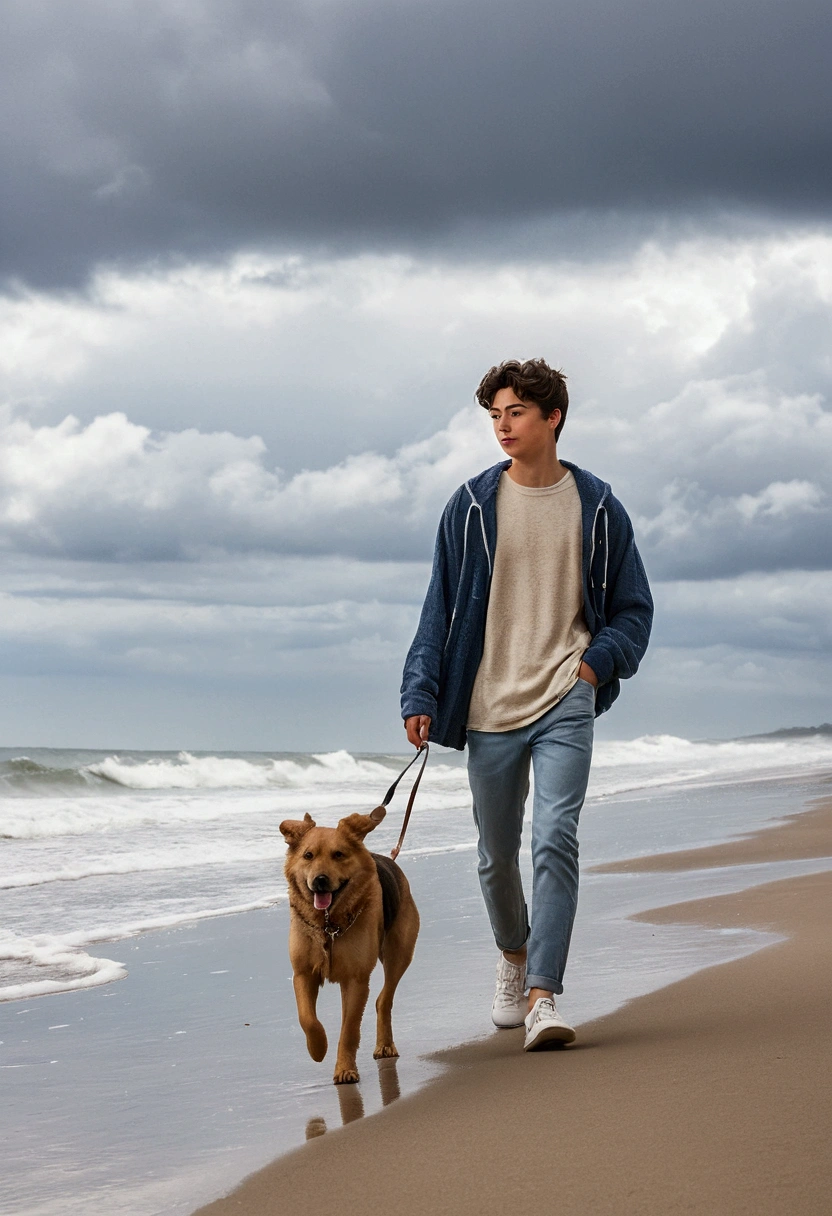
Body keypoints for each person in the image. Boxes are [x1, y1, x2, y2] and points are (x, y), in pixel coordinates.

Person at [400, 357, 653, 1050]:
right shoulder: (473, 505)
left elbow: (633, 610)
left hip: (567, 691)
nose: (502, 426)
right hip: (487, 704)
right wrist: (421, 689)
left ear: (552, 418)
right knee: (494, 855)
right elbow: (439, 607)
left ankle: (544, 996)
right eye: (494, 415)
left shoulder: (598, 506)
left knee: (554, 839)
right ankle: (513, 956)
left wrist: (596, 668)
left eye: (515, 412)